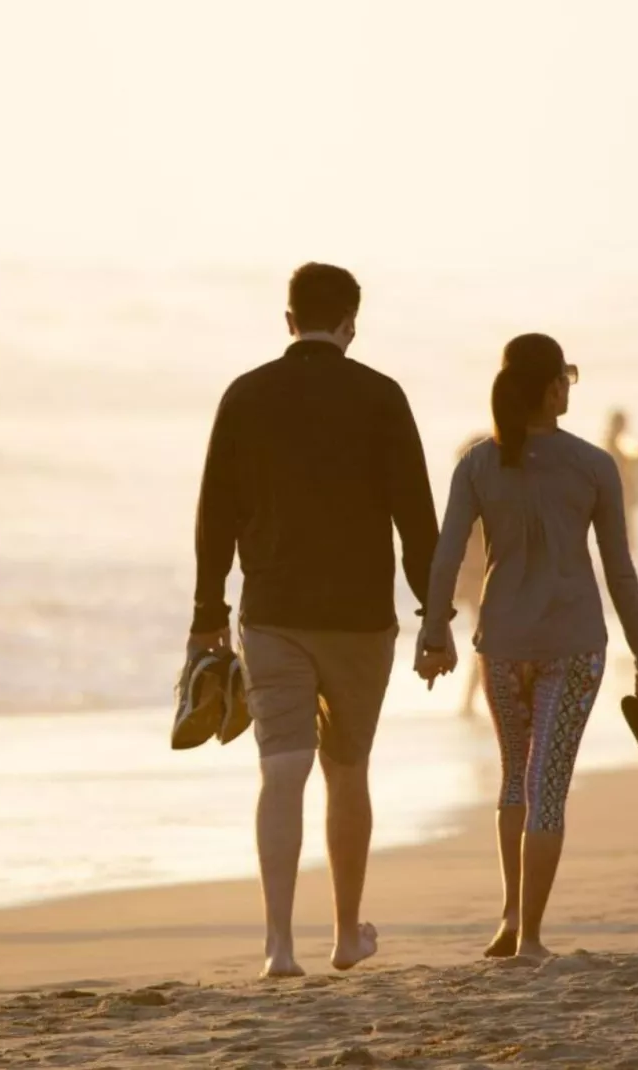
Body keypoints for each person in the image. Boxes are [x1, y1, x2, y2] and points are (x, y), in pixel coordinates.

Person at [189, 262, 440, 978]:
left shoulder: (245, 394)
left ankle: (278, 945)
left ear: (289, 319)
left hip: (273, 616)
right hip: (361, 619)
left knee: (283, 770)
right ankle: (344, 935)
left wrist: (208, 615)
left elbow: (214, 516)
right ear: (351, 323)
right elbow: (416, 519)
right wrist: (434, 615)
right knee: (348, 770)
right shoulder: (383, 396)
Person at [417, 334, 638, 963]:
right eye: (567, 378)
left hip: (500, 643)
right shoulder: (593, 465)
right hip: (573, 645)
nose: (570, 387)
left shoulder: (477, 462)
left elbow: (445, 555)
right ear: (553, 387)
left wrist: (433, 631)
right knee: (545, 787)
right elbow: (619, 570)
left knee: (514, 783)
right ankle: (529, 940)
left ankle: (510, 919)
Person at [452, 431, 490, 717]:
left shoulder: (471, 496)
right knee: (487, 642)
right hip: (483, 580)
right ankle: (470, 702)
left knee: (487, 641)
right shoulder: (481, 497)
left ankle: (471, 702)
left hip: (478, 579)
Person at [604, 409, 638, 553]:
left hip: (619, 493)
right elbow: (634, 454)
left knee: (621, 531)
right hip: (620, 493)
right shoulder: (616, 442)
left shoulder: (611, 441)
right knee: (624, 531)